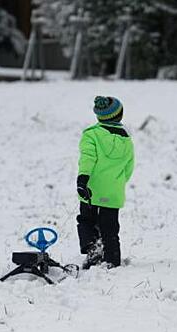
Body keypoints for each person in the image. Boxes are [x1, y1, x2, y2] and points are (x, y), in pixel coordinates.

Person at [76, 96, 134, 269]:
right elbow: (129, 166)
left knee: (86, 220)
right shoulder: (126, 139)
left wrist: (82, 179)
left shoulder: (91, 135)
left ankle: (93, 252)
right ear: (119, 116)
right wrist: (118, 182)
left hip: (91, 189)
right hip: (113, 191)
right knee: (110, 227)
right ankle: (112, 258)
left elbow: (88, 159)